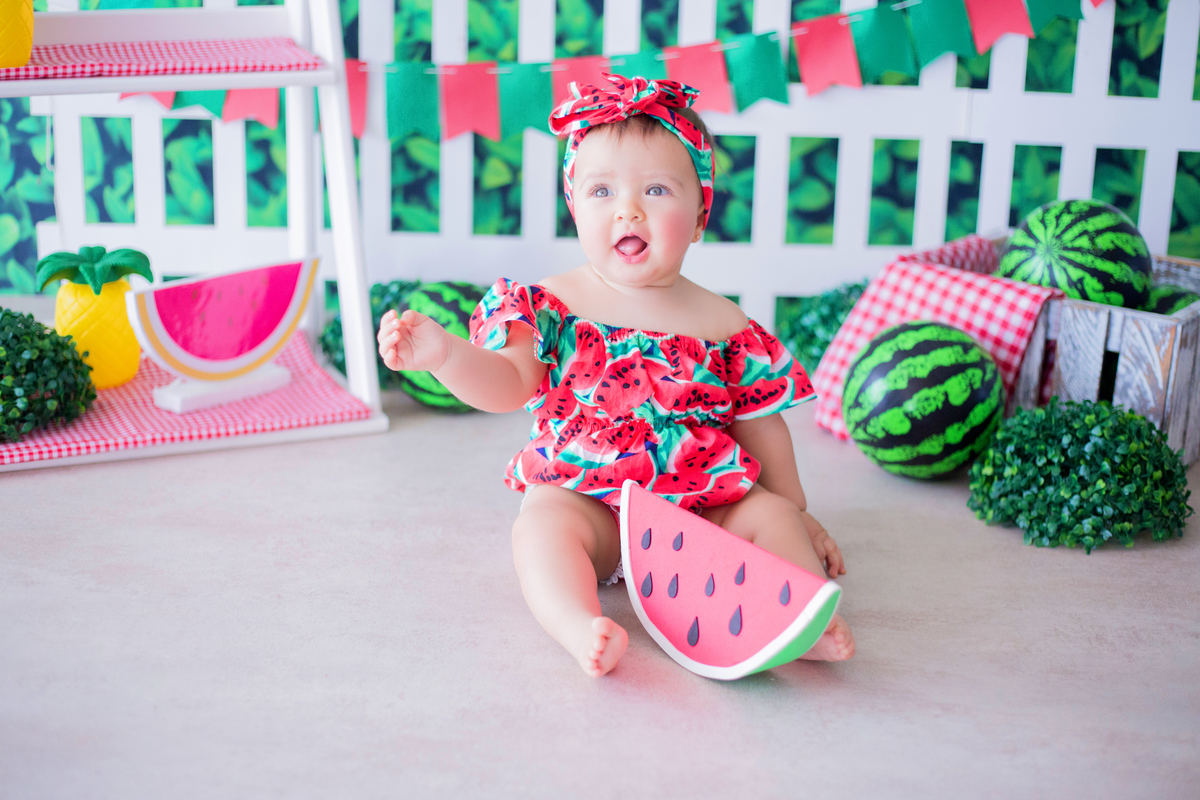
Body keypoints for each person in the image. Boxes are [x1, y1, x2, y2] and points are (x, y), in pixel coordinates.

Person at [378, 74, 854, 677]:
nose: (627, 209)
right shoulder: (547, 304)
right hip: (590, 500)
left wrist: (796, 511)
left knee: (771, 517)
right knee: (541, 526)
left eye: (656, 189)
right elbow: (508, 384)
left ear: (701, 212)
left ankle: (795, 620)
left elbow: (762, 426)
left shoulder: (724, 323)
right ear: (575, 206)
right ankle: (578, 624)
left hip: (703, 504)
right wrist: (444, 356)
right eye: (602, 191)